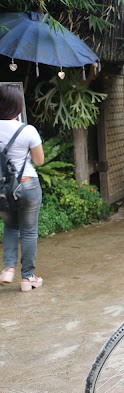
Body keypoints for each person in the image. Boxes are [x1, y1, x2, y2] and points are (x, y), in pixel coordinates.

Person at [0, 85, 46, 292]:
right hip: (27, 184)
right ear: (18, 106)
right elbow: (39, 161)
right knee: (28, 232)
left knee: (10, 227)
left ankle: (8, 269)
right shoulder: (27, 130)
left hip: (2, 188)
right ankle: (27, 279)